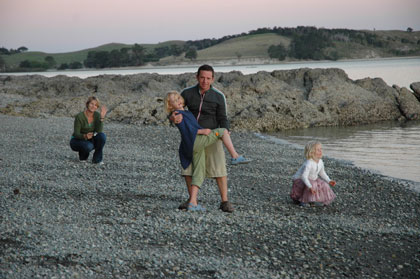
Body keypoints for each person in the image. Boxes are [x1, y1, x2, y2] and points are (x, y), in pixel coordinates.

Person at [170, 64, 251, 212]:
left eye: (208, 78)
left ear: (213, 79)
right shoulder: (187, 94)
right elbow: (175, 108)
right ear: (197, 77)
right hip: (192, 138)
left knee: (219, 169)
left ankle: (224, 201)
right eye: (202, 77)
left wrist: (225, 130)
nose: (205, 81)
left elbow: (223, 117)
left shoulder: (218, 96)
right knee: (188, 170)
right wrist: (171, 118)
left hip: (212, 135)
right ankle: (192, 200)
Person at [290, 141, 336, 206]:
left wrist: (329, 180)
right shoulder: (309, 163)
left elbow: (322, 173)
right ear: (311, 152)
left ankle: (316, 200)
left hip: (312, 179)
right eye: (318, 150)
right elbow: (304, 177)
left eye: (321, 149)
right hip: (300, 180)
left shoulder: (320, 161)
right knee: (313, 184)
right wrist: (310, 186)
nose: (320, 151)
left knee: (324, 184)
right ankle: (305, 201)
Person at [70, 96, 107, 164]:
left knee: (102, 136)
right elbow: (76, 133)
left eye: (96, 105)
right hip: (77, 140)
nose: (93, 106)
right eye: (92, 104)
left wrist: (102, 118)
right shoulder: (79, 116)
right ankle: (83, 155)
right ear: (87, 104)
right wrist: (85, 136)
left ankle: (97, 159)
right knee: (88, 146)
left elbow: (99, 131)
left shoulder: (97, 115)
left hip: (90, 139)